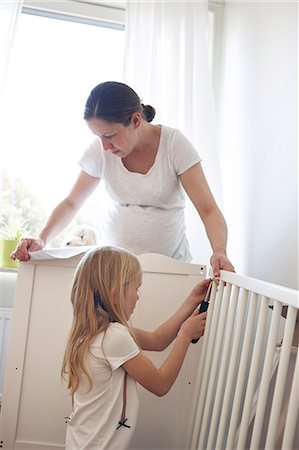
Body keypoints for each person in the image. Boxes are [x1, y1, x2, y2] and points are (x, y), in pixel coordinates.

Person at [11, 81, 234, 276]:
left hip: (169, 270)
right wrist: (42, 238)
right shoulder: (101, 151)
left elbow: (208, 210)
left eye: (109, 136)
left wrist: (219, 251)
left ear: (135, 120)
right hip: (115, 272)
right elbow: (72, 203)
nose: (104, 146)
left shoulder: (174, 145)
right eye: (98, 137)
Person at [61, 245, 209, 450]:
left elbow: (158, 340)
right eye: (136, 288)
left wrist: (191, 301)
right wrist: (185, 336)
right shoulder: (113, 337)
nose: (138, 296)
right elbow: (161, 384)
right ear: (115, 295)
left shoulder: (94, 333)